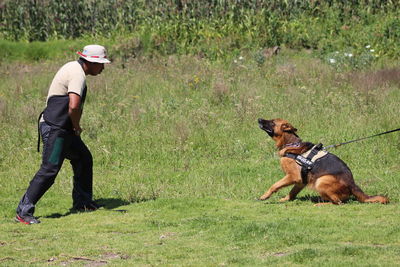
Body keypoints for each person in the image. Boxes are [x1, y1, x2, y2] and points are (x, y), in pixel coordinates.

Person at [15, 45, 111, 224]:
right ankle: (23, 211)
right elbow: (73, 105)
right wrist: (76, 127)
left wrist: (73, 129)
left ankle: (83, 203)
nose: (103, 68)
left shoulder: (74, 69)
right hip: (57, 128)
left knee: (83, 158)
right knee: (49, 169)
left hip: (63, 128)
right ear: (90, 62)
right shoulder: (77, 74)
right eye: (101, 64)